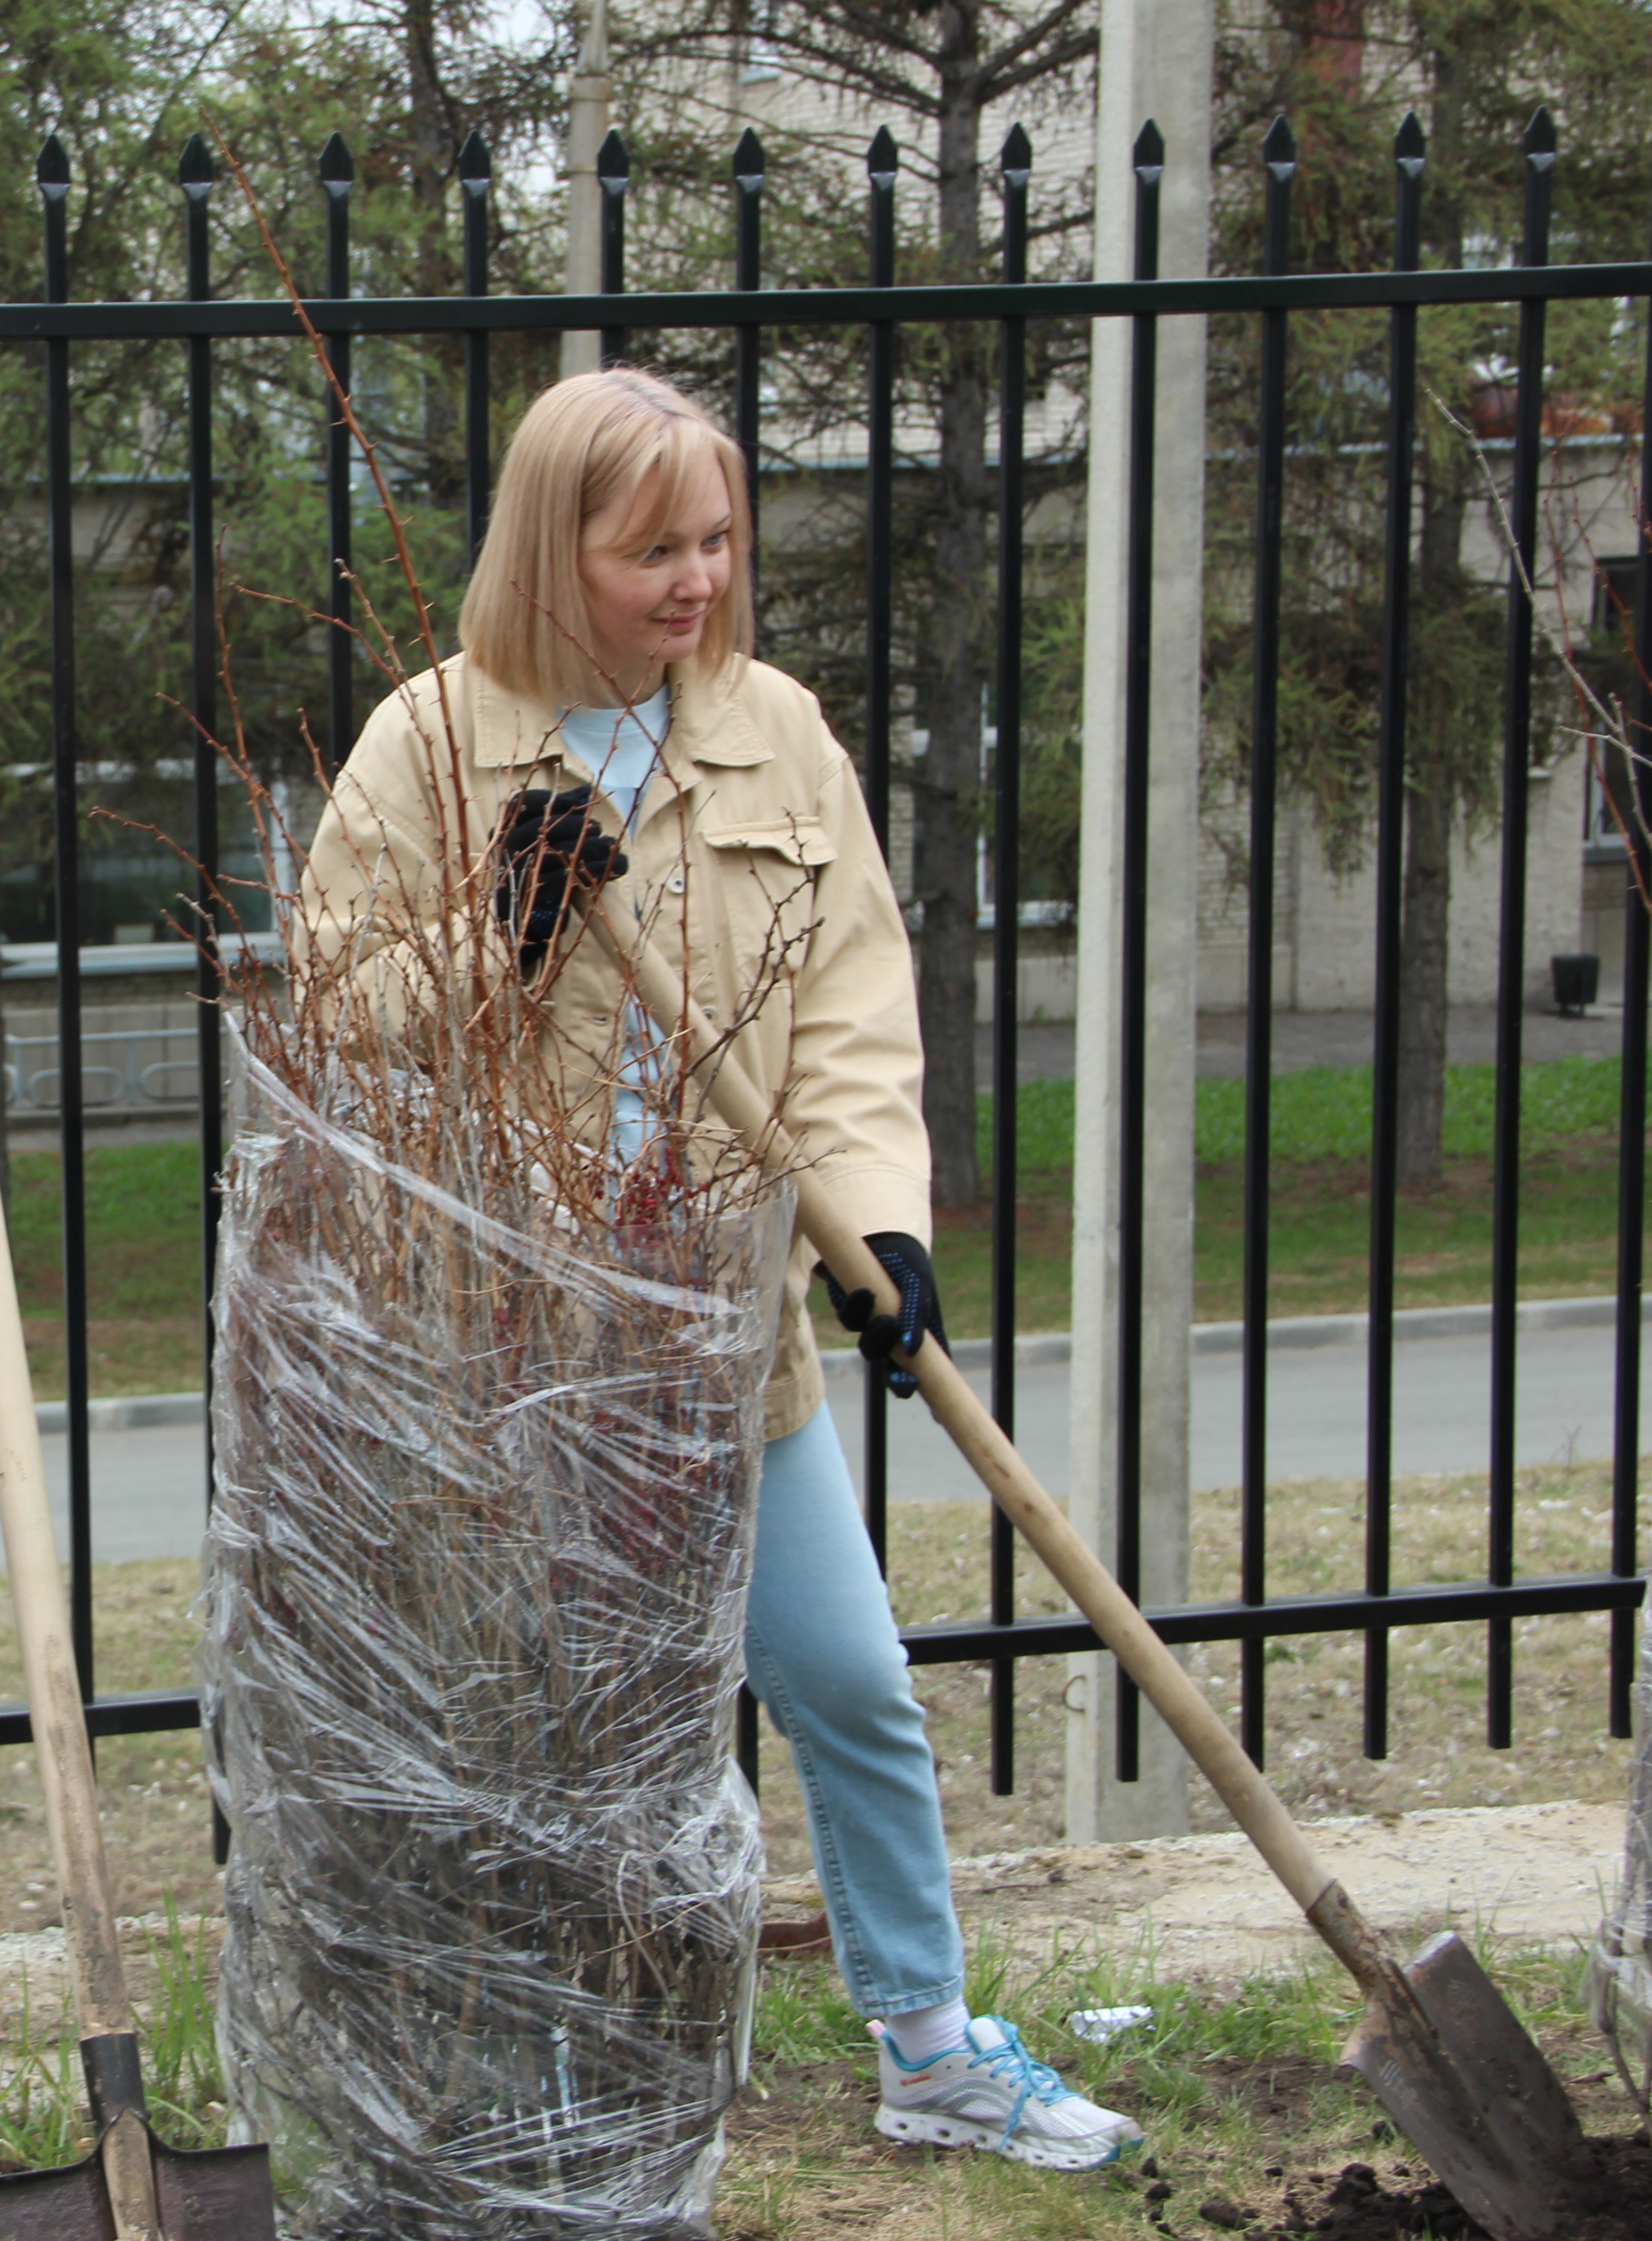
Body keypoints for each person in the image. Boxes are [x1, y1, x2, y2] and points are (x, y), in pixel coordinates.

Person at [295, 367, 1142, 2172]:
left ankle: (929, 2046)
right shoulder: (428, 748)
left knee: (850, 1684)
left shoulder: (774, 735)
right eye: (650, 548)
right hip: (513, 1358)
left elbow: (845, 1005)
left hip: (726, 1349)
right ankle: (535, 2081)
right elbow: (339, 1029)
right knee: (538, 1752)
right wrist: (497, 937)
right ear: (554, 550)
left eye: (715, 539)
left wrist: (879, 1216)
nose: (696, 580)